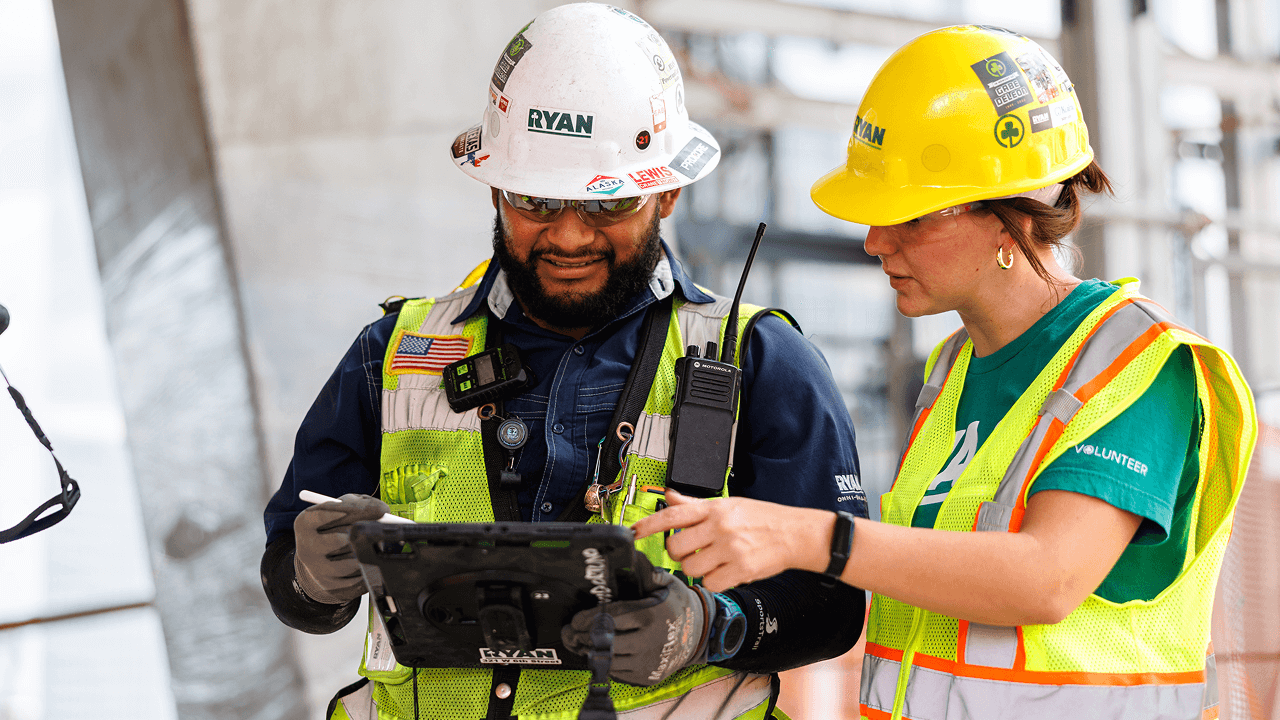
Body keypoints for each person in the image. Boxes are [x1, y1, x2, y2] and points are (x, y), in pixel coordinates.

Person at [259, 5, 868, 720]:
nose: (570, 235)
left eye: (607, 205)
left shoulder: (763, 363)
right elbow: (291, 585)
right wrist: (309, 577)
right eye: (537, 201)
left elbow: (833, 605)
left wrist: (709, 627)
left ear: (667, 191)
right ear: (494, 186)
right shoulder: (392, 357)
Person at [633, 25, 1257, 720]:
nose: (875, 242)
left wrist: (806, 537)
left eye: (907, 215)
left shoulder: (1141, 366)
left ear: (1006, 214)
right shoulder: (954, 369)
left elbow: (1046, 579)